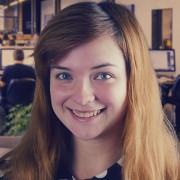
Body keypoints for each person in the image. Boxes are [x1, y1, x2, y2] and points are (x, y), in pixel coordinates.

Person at [0, 1, 179, 180]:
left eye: (103, 75)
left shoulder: (169, 174)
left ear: (133, 81)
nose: (82, 97)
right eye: (64, 76)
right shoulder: (16, 173)